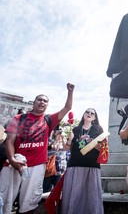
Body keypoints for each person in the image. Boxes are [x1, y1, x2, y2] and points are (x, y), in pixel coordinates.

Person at [0, 83, 74, 214]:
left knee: (29, 202)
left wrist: (70, 91)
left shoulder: (48, 119)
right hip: (15, 164)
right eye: (39, 99)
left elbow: (67, 107)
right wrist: (11, 159)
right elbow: (10, 141)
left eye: (45, 101)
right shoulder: (18, 118)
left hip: (36, 165)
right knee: (5, 198)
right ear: (33, 103)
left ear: (47, 105)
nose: (42, 102)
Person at [61, 108, 105, 214]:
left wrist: (93, 143)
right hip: (75, 165)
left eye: (92, 113)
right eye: (87, 112)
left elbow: (102, 149)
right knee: (74, 194)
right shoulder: (75, 129)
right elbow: (66, 148)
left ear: (94, 117)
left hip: (92, 166)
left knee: (91, 195)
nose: (89, 114)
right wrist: (70, 139)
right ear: (84, 115)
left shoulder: (98, 130)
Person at [43, 126, 67, 193]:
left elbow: (66, 148)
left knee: (58, 188)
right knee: (46, 187)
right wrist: (56, 140)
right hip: (49, 167)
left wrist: (62, 139)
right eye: (57, 130)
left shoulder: (64, 141)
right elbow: (49, 147)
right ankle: (44, 202)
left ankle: (56, 202)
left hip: (60, 168)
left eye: (60, 131)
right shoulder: (48, 139)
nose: (59, 132)